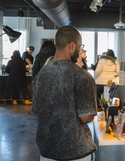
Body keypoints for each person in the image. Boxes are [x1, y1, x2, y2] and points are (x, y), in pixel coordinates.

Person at [31, 26, 97, 161]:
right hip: (77, 152)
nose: (79, 50)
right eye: (80, 46)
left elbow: (37, 111)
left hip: (47, 151)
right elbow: (86, 118)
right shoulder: (82, 76)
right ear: (72, 45)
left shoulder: (40, 76)